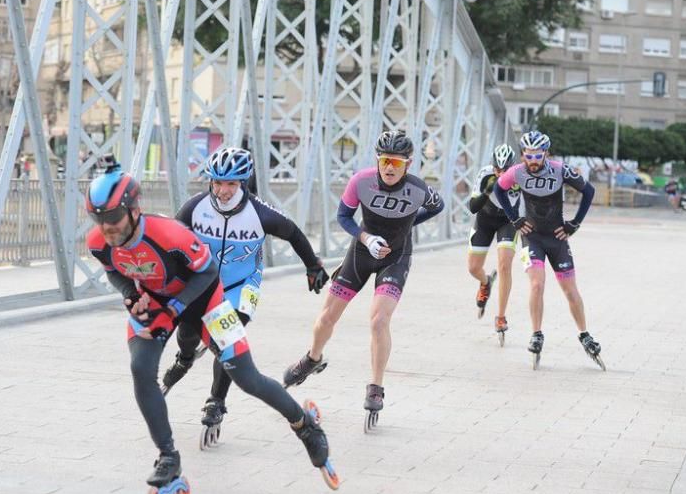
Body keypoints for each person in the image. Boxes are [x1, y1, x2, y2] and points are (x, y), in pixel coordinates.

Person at [85, 168, 339, 494]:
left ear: (133, 210)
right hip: (157, 302)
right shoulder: (99, 241)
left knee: (247, 379)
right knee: (141, 368)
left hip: (207, 300)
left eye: (113, 218)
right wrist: (131, 296)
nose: (108, 228)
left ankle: (305, 427)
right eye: (99, 219)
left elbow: (206, 273)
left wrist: (174, 307)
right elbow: (114, 269)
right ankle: (169, 457)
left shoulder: (168, 234)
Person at [160, 147, 329, 446]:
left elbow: (294, 234)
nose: (223, 191)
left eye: (232, 184)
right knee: (186, 334)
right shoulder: (194, 208)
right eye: (217, 183)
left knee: (228, 340)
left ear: (244, 183)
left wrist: (313, 265)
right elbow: (171, 245)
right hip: (202, 285)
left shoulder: (260, 214)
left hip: (241, 285)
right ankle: (185, 358)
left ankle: (216, 401)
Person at [282, 130, 444, 426]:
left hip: (395, 258)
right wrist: (366, 238)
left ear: (408, 163)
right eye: (385, 161)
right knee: (326, 318)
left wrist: (408, 225)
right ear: (377, 160)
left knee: (379, 320)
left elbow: (438, 206)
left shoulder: (419, 189)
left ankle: (375, 387)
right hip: (361, 253)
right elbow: (343, 217)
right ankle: (313, 358)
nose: (390, 168)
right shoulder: (361, 181)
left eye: (396, 162)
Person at [493, 130, 603, 369]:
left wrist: (574, 224)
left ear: (546, 154)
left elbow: (589, 191)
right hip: (531, 239)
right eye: (528, 156)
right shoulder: (516, 172)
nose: (532, 161)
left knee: (571, 291)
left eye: (537, 156)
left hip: (557, 238)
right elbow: (498, 190)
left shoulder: (560, 169)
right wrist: (515, 219)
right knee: (536, 284)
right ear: (522, 154)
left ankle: (584, 334)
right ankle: (536, 333)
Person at [467, 143, 522, 339]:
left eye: (505, 170)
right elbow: (472, 207)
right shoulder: (485, 173)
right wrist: (487, 191)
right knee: (473, 268)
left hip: (507, 221)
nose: (500, 174)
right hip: (485, 220)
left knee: (505, 265)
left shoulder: (520, 175)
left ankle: (500, 316)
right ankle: (485, 282)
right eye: (497, 169)